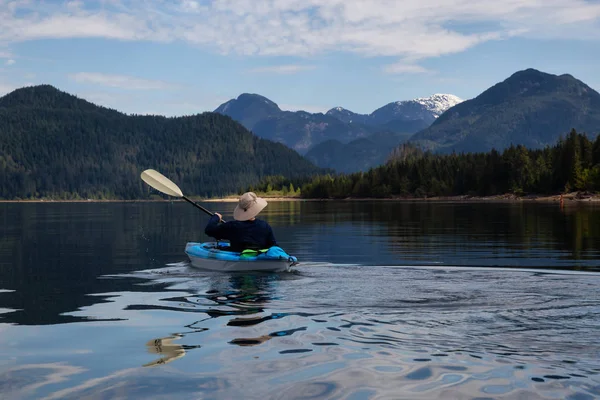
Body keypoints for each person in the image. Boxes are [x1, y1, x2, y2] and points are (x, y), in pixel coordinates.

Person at [204, 192, 277, 252]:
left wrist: (216, 217)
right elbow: (273, 246)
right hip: (260, 259)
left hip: (238, 259)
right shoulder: (265, 226)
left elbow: (209, 230)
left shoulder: (232, 226)